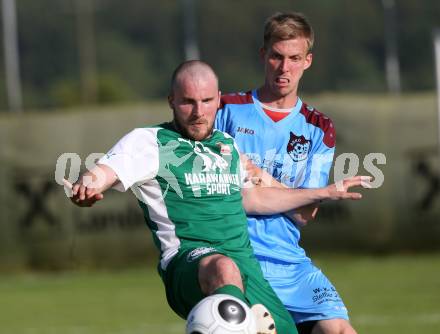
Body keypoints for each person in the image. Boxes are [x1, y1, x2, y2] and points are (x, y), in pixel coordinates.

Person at [68, 60, 366, 334]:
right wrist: (89, 186)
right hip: (190, 262)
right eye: (188, 102)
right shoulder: (149, 141)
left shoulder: (227, 146)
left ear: (218, 99)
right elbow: (105, 171)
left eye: (207, 101)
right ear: (171, 100)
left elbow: (257, 199)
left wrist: (323, 192)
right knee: (223, 269)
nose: (199, 112)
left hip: (247, 269)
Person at [215, 12, 357, 334]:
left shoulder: (319, 127)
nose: (284, 68)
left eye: (294, 58)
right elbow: (231, 193)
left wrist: (261, 177)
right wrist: (309, 193)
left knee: (340, 330)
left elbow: (306, 214)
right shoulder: (226, 110)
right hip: (238, 258)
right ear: (263, 55)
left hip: (290, 261)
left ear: (308, 61)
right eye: (277, 57)